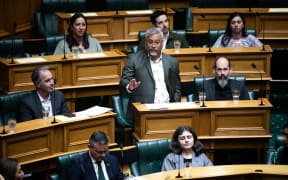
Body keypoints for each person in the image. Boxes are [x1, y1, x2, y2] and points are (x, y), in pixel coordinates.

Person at [120, 27, 181, 120]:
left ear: (162, 43)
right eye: (150, 42)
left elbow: (176, 87)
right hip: (143, 111)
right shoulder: (133, 59)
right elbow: (124, 80)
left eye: (157, 42)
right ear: (145, 43)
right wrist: (129, 86)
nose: (153, 46)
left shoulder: (172, 62)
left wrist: (175, 106)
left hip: (168, 108)